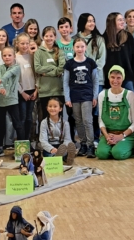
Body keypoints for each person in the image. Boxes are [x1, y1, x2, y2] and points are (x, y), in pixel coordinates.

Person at [73, 13, 106, 143]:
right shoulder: (75, 39)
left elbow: (101, 59)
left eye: (93, 21)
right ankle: (83, 140)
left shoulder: (99, 39)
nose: (92, 23)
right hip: (79, 81)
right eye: (89, 21)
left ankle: (95, 139)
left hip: (97, 79)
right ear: (83, 23)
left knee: (95, 109)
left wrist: (90, 72)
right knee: (80, 113)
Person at [63, 38, 99, 158]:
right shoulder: (69, 64)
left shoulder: (91, 62)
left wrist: (95, 96)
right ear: (73, 48)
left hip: (87, 96)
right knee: (78, 121)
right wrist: (67, 98)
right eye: (77, 47)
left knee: (87, 120)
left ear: (85, 47)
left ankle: (90, 145)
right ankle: (83, 144)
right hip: (74, 96)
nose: (80, 49)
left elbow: (95, 81)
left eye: (82, 46)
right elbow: (65, 82)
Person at [96, 65, 134, 160]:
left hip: (126, 135)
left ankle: (131, 148)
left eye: (118, 78)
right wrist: (107, 136)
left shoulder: (129, 95)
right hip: (109, 134)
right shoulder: (102, 95)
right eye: (112, 77)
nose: (115, 80)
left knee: (118, 154)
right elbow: (101, 120)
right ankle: (113, 147)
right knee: (101, 154)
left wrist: (121, 136)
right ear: (108, 78)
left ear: (123, 79)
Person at [0, 46, 26, 158]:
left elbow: (7, 75)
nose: (7, 57)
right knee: (0, 125)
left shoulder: (16, 67)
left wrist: (0, 81)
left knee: (17, 124)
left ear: (14, 56)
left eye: (9, 55)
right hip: (1, 100)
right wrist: (1, 87)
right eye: (4, 55)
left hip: (12, 100)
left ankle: (22, 149)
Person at [103, 13, 134, 92]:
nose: (123, 22)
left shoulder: (128, 36)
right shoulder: (104, 38)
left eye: (123, 20)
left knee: (131, 97)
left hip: (127, 77)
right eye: (120, 20)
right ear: (112, 22)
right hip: (110, 78)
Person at [34, 26, 66, 115]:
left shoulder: (60, 51)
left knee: (58, 117)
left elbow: (61, 68)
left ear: (55, 37)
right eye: (46, 36)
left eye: (51, 36)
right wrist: (52, 67)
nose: (49, 38)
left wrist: (46, 73)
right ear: (43, 37)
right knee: (45, 117)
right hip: (44, 90)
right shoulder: (38, 52)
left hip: (58, 90)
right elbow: (37, 69)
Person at [39, 97, 76, 165]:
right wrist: (51, 149)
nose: (52, 108)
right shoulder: (44, 123)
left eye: (55, 106)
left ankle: (65, 157)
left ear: (60, 109)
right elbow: (43, 140)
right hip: (50, 147)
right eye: (50, 106)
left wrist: (63, 148)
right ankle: (61, 157)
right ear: (47, 108)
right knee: (49, 156)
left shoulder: (65, 123)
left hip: (62, 146)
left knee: (66, 150)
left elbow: (67, 139)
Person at [15, 33, 38, 141]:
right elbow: (14, 79)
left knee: (30, 118)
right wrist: (22, 92)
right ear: (17, 44)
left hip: (32, 91)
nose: (25, 46)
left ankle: (28, 141)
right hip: (21, 92)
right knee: (22, 118)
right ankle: (22, 142)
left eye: (27, 43)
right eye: (22, 43)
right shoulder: (15, 58)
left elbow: (37, 74)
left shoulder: (32, 56)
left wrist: (36, 90)